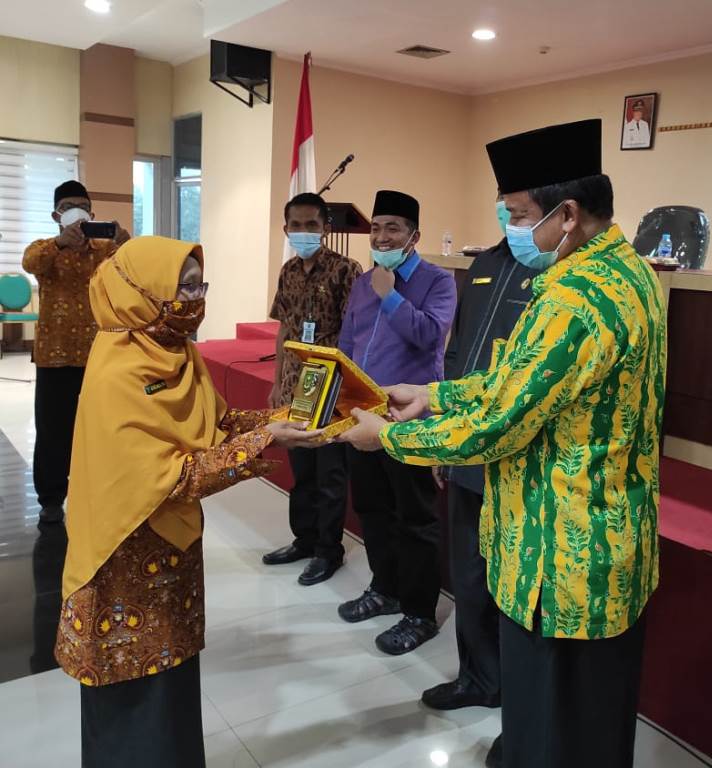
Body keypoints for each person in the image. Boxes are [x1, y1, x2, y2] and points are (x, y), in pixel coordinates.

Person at [340, 119, 667, 768]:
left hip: (560, 557)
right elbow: (523, 384)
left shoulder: (574, 296)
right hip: (608, 547)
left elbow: (502, 423)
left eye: (520, 216)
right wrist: (437, 395)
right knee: (590, 724)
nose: (514, 231)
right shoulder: (629, 274)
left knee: (552, 729)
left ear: (567, 214)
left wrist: (395, 437)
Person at [53, 236, 321, 768]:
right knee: (132, 696)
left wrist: (279, 421)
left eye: (201, 285)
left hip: (169, 554)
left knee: (171, 683)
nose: (197, 299)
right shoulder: (118, 370)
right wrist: (266, 441)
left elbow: (219, 423)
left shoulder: (175, 354)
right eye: (185, 287)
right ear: (141, 293)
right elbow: (171, 478)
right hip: (121, 559)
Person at [421, 195, 541, 716]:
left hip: (521, 459)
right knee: (469, 576)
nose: (510, 221)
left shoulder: (562, 279)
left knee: (513, 589)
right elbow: (456, 353)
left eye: (519, 211)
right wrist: (445, 437)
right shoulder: (486, 264)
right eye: (506, 209)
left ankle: (517, 704)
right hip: (469, 449)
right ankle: (477, 678)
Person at [337, 190, 456, 654]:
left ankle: (419, 613)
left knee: (415, 518)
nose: (382, 236)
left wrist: (390, 298)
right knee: (372, 509)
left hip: (411, 420)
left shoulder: (437, 281)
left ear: (414, 236)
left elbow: (429, 336)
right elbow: (349, 345)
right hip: (364, 417)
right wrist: (341, 401)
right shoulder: (361, 282)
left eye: (393, 228)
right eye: (377, 227)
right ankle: (384, 589)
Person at [262, 193, 362, 585]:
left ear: (326, 228)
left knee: (330, 473)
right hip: (294, 386)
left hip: (331, 384)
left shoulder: (345, 271)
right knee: (301, 468)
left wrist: (348, 388)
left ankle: (328, 550)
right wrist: (277, 382)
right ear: (286, 229)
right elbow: (284, 327)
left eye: (312, 225)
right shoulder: (288, 271)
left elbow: (355, 331)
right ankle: (303, 539)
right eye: (296, 225)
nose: (304, 232)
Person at [22, 180, 130, 523]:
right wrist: (59, 243)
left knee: (98, 429)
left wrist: (125, 242)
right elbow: (29, 262)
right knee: (52, 430)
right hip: (55, 357)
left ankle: (97, 492)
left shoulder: (103, 250)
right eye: (69, 206)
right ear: (57, 214)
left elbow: (133, 269)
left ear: (92, 214)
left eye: (82, 205)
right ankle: (51, 500)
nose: (76, 211)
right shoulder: (45, 248)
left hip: (99, 356)